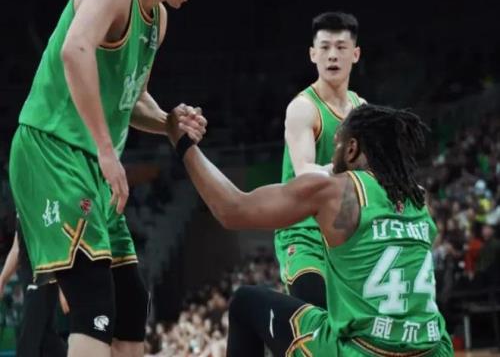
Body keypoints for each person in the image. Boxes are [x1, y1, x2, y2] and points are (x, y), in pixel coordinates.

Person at [8, 0, 221, 355]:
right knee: (92, 300)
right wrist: (108, 152)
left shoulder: (158, 21)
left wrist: (168, 122)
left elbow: (131, 100)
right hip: (52, 148)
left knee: (131, 301)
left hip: (90, 163)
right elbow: (75, 50)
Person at [170, 104, 453, 356]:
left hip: (363, 352)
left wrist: (182, 143)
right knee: (321, 303)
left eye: (337, 146)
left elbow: (231, 209)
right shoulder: (419, 198)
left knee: (245, 303)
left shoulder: (335, 192)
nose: (332, 158)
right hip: (431, 350)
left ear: (352, 149)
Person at [275, 11, 365, 308]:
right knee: (316, 316)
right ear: (313, 54)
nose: (332, 55)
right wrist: (349, 172)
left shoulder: (362, 109)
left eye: (341, 47)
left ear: (355, 54)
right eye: (324, 47)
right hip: (304, 233)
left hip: (347, 235)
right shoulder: (302, 108)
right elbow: (305, 172)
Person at [0, 220, 67, 356]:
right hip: (29, 278)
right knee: (47, 339)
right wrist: (1, 281)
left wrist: (63, 286)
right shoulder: (21, 209)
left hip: (43, 277)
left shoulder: (44, 207)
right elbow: (16, 248)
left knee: (29, 337)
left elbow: (59, 243)